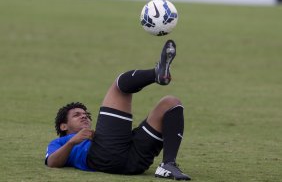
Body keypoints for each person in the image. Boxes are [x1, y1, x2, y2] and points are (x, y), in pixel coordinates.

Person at [45, 40, 191, 180]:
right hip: (104, 156)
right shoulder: (59, 143)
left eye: (86, 115)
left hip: (135, 164)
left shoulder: (99, 136)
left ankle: (168, 165)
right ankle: (156, 74)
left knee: (171, 103)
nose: (84, 117)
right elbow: (52, 163)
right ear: (63, 126)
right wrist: (72, 142)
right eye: (76, 115)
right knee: (119, 87)